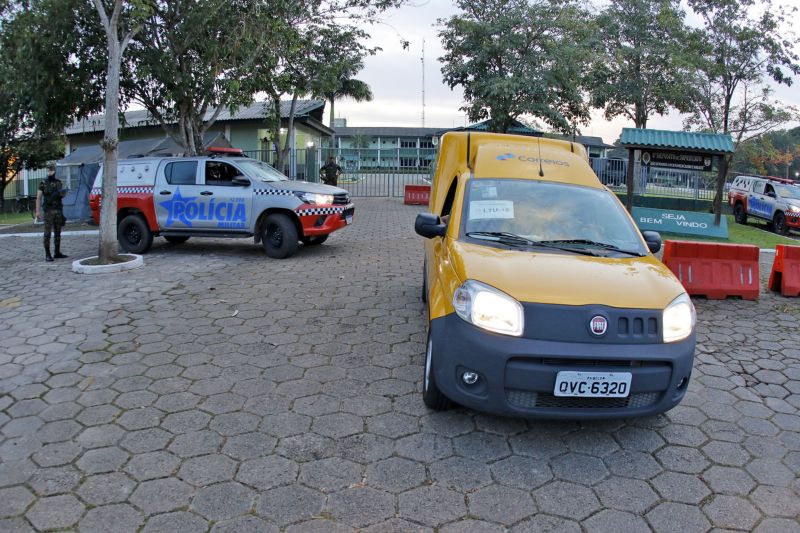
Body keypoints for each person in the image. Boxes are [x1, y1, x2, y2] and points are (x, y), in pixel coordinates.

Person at [35, 165, 68, 262]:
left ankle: (57, 252)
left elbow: (61, 196)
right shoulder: (43, 183)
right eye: (48, 171)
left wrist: (63, 193)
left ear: (54, 171)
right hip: (48, 211)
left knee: (58, 232)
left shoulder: (58, 182)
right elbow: (38, 197)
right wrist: (37, 211)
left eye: (51, 170)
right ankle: (47, 254)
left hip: (58, 210)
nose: (49, 172)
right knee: (47, 233)